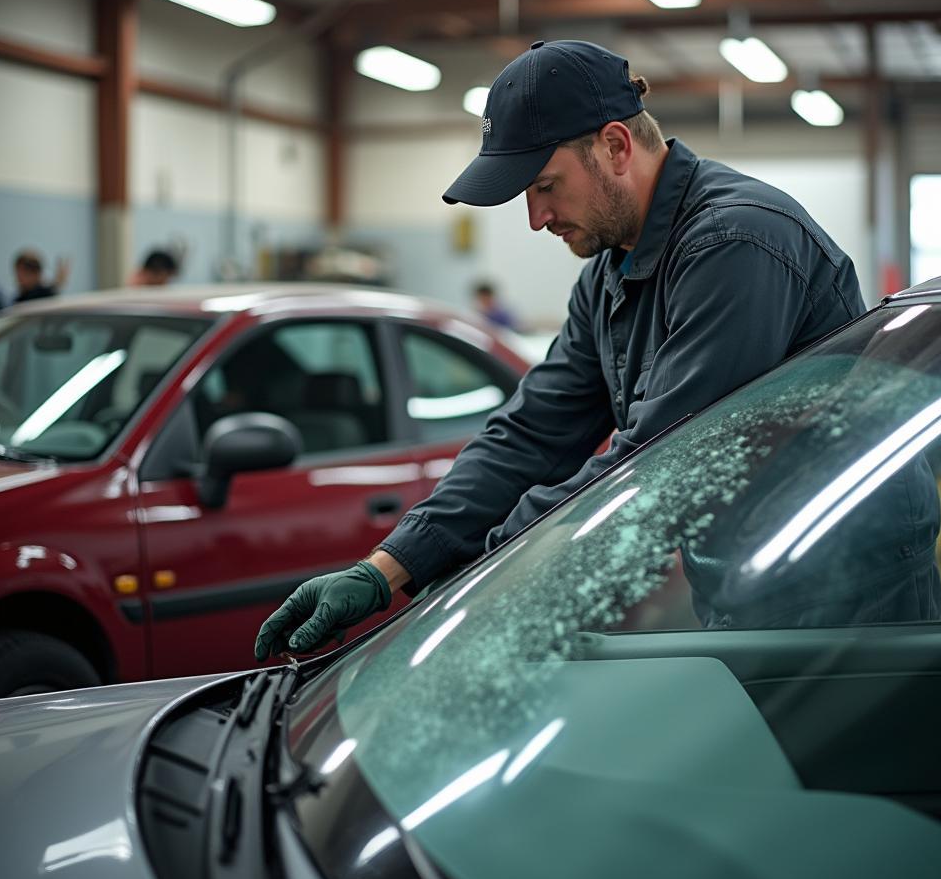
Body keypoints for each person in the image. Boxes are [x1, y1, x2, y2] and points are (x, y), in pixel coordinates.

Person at [255, 38, 868, 661]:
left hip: (841, 596)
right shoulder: (609, 275)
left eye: (545, 185)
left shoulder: (736, 243)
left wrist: (482, 575)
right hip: (746, 581)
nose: (536, 217)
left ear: (615, 147)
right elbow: (531, 435)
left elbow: (657, 466)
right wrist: (387, 569)